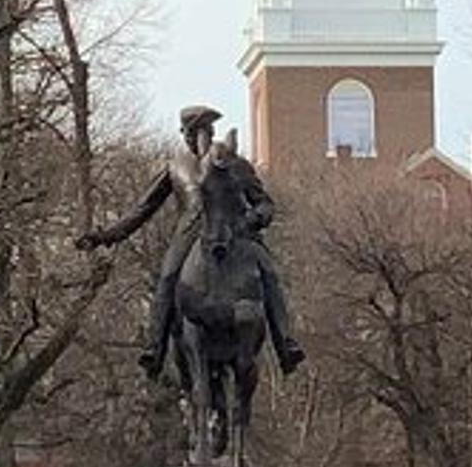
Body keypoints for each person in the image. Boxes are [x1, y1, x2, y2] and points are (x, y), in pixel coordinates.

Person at [76, 104, 304, 378]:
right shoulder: (175, 167)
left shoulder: (234, 164)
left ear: (209, 132)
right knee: (167, 278)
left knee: (269, 274)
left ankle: (286, 345)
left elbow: (265, 204)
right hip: (189, 236)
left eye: (200, 130)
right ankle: (154, 349)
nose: (193, 137)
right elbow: (143, 209)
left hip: (235, 234)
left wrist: (250, 221)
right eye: (189, 132)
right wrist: (106, 236)